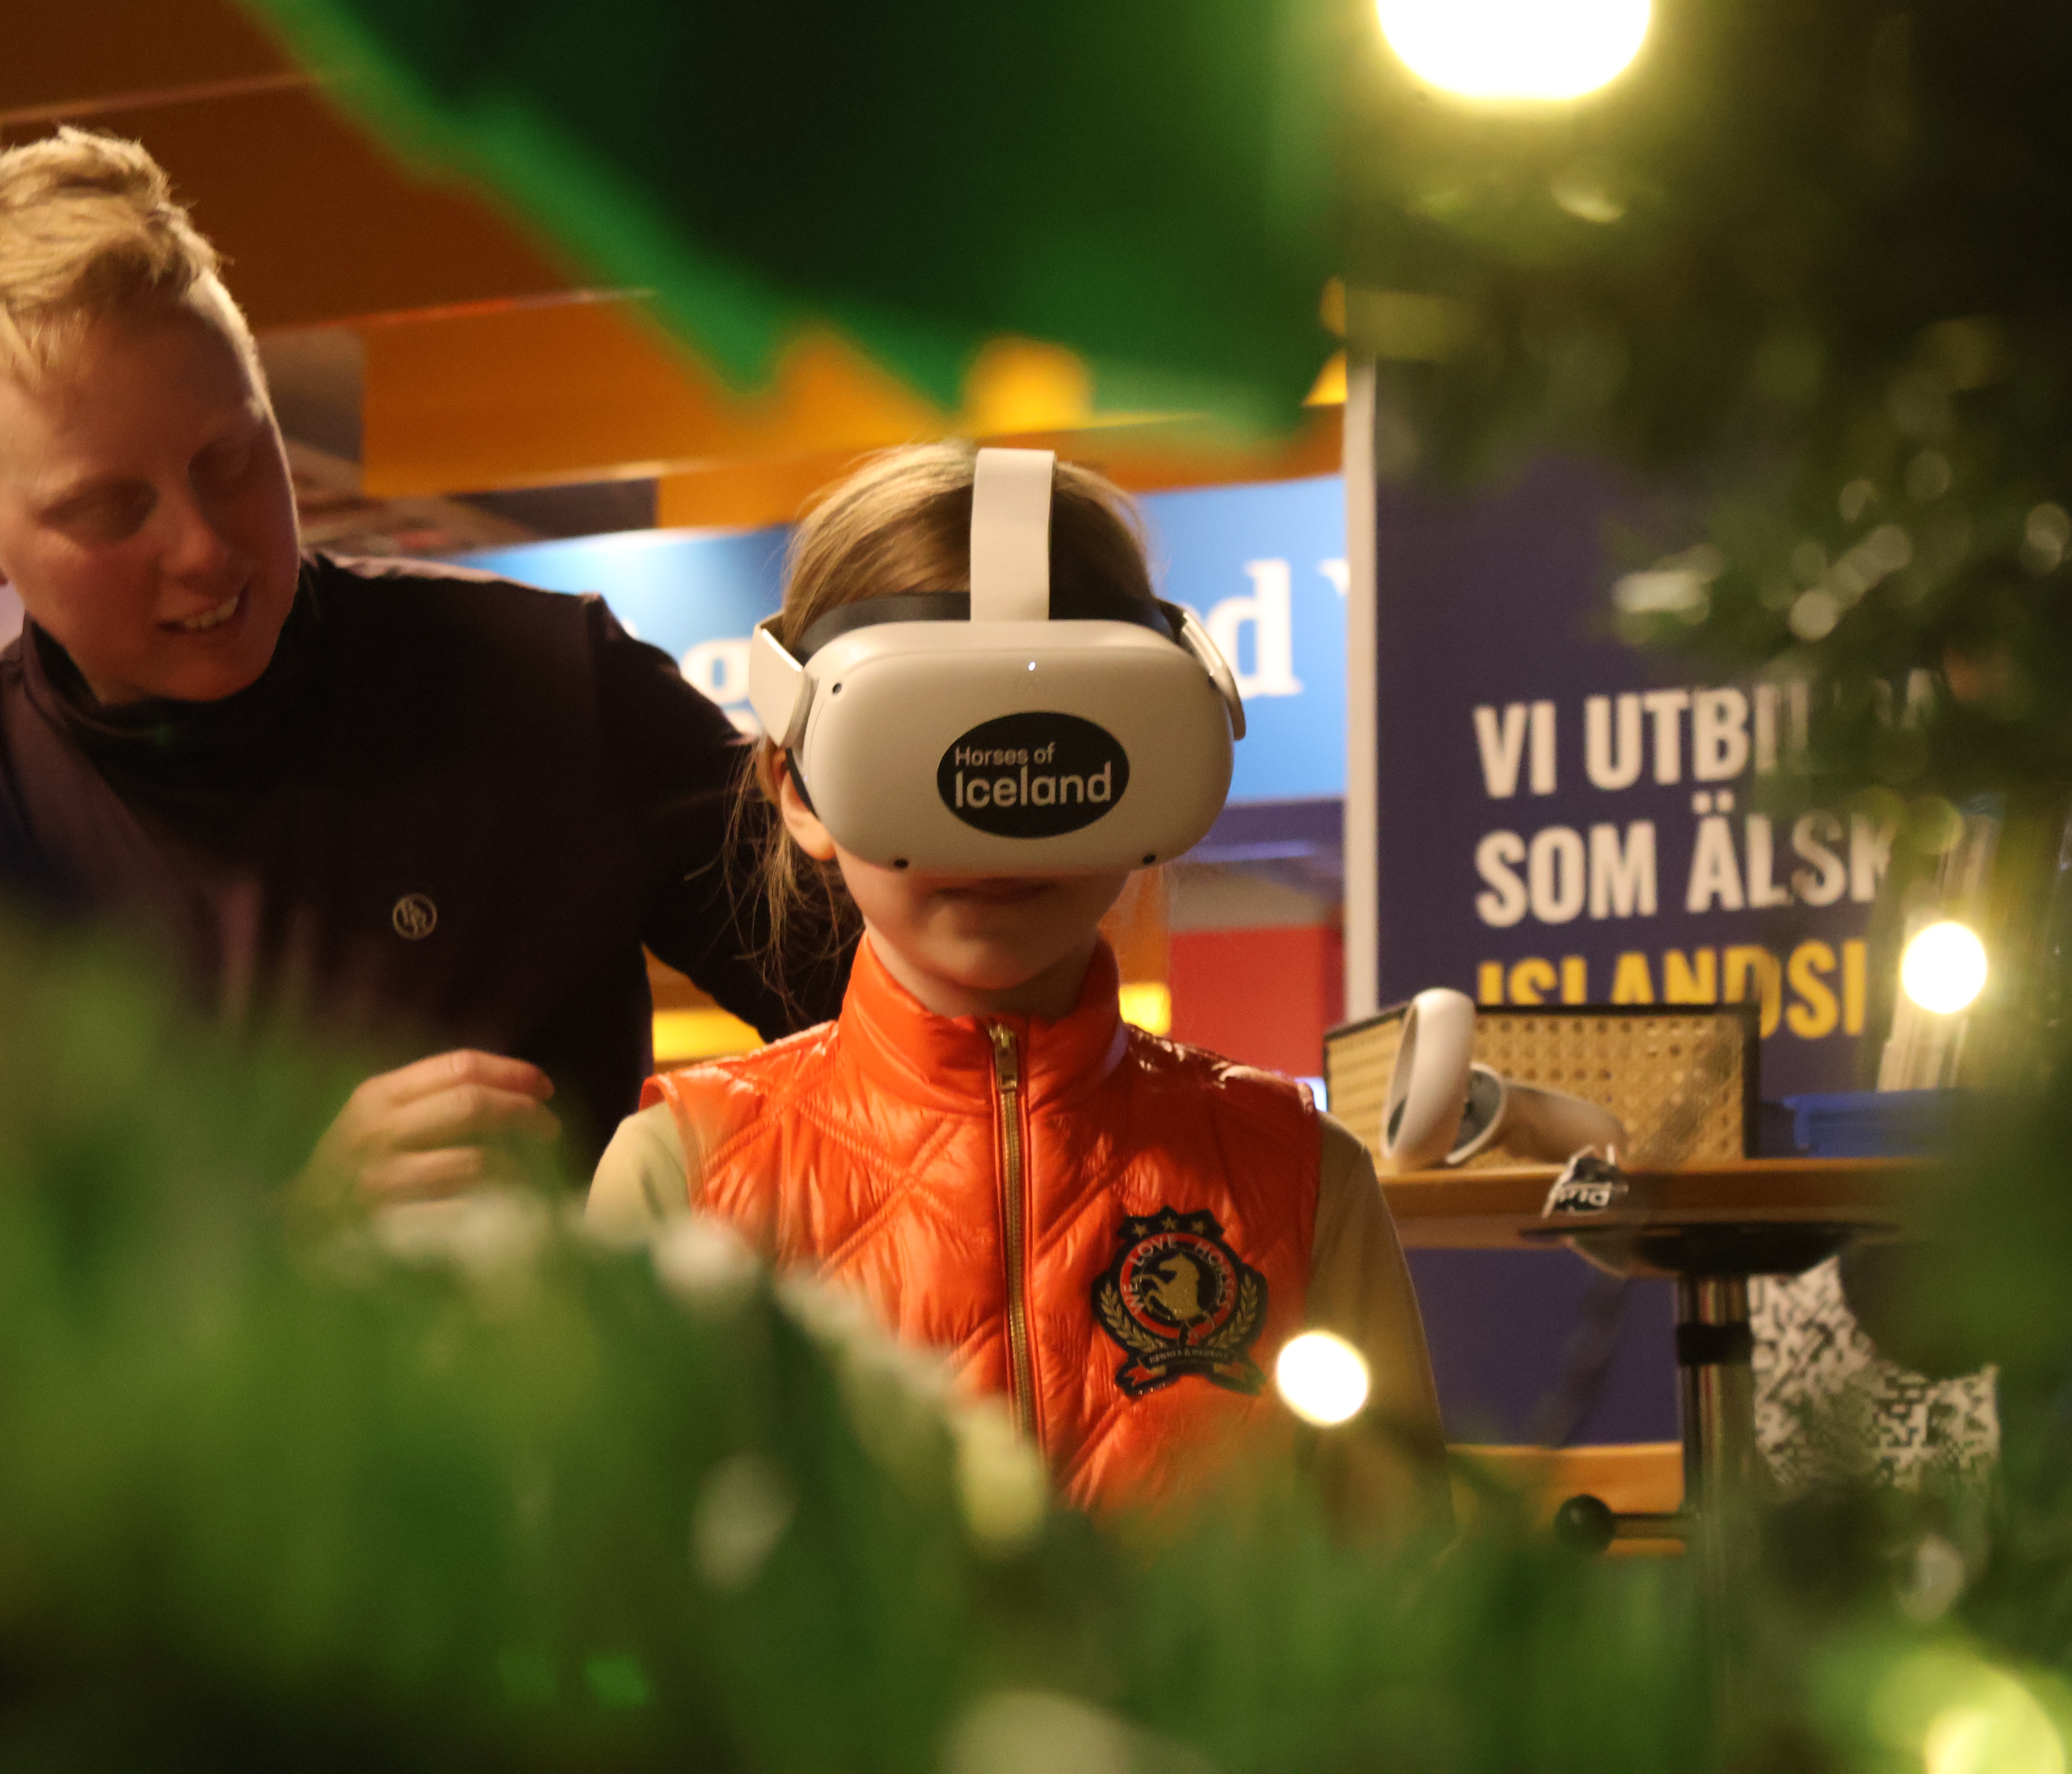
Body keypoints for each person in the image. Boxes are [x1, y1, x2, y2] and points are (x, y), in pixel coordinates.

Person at [0, 129, 842, 1194]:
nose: (203, 546)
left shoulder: (553, 683)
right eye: (110, 509)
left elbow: (919, 1026)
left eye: (232, 459)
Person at [587, 444, 1441, 1521]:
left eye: (1062, 750)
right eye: (925, 748)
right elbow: (613, 1592)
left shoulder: (1301, 1178)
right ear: (798, 789)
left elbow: (1404, 1597)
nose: (998, 823)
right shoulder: (684, 1172)